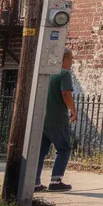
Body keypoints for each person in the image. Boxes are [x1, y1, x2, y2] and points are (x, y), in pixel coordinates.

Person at [35, 49, 77, 192]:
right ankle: (56, 181)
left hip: (43, 119)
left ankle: (34, 182)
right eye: (71, 60)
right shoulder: (64, 73)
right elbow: (65, 93)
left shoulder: (47, 74)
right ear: (64, 60)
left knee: (40, 151)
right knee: (64, 148)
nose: (71, 64)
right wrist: (73, 110)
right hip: (57, 119)